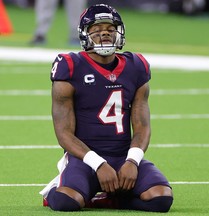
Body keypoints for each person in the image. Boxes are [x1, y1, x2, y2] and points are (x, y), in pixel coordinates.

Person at [39, 4, 173, 212]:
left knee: (161, 199)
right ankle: (55, 190)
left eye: (110, 29)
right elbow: (63, 133)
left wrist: (133, 160)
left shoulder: (136, 66)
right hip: (84, 159)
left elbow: (142, 126)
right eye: (97, 30)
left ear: (119, 32)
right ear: (85, 35)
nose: (105, 34)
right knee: (67, 202)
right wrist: (98, 164)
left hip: (122, 156)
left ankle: (112, 199)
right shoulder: (70, 65)